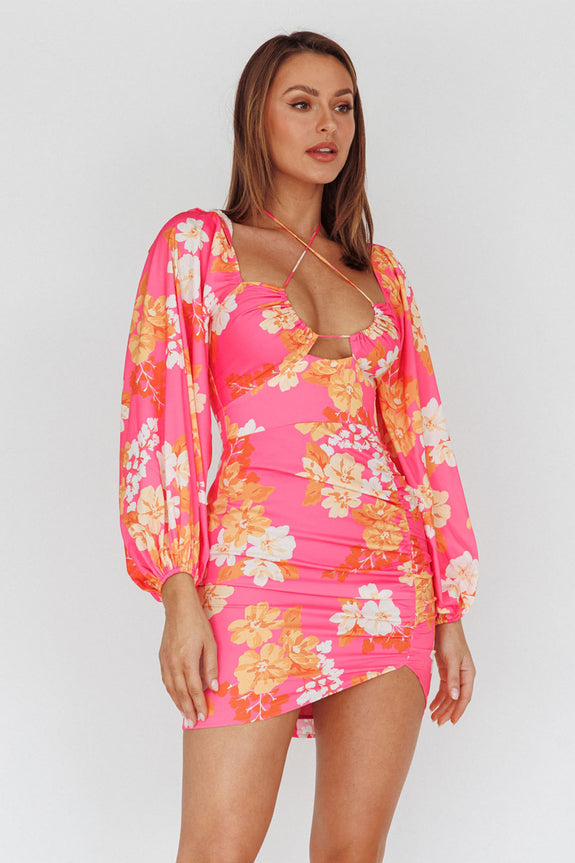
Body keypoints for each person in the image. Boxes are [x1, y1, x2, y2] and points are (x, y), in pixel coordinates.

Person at [119, 30, 479, 863]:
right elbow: (158, 422)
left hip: (387, 584)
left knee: (352, 852)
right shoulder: (197, 247)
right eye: (302, 103)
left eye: (343, 106)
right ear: (258, 117)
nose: (328, 125)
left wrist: (450, 611)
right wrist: (178, 592)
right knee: (216, 850)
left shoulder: (382, 273)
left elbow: (421, 437)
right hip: (255, 575)